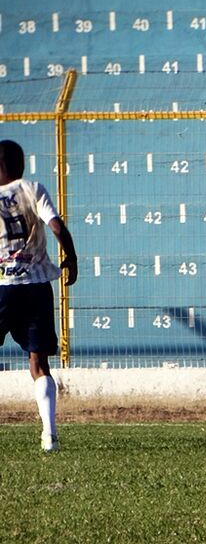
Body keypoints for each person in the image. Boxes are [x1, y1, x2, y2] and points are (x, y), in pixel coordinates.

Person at [0, 139, 78, 452]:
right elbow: (56, 226)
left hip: (3, 285)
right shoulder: (34, 189)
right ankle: (49, 435)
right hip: (36, 286)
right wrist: (71, 257)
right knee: (39, 363)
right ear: (21, 165)